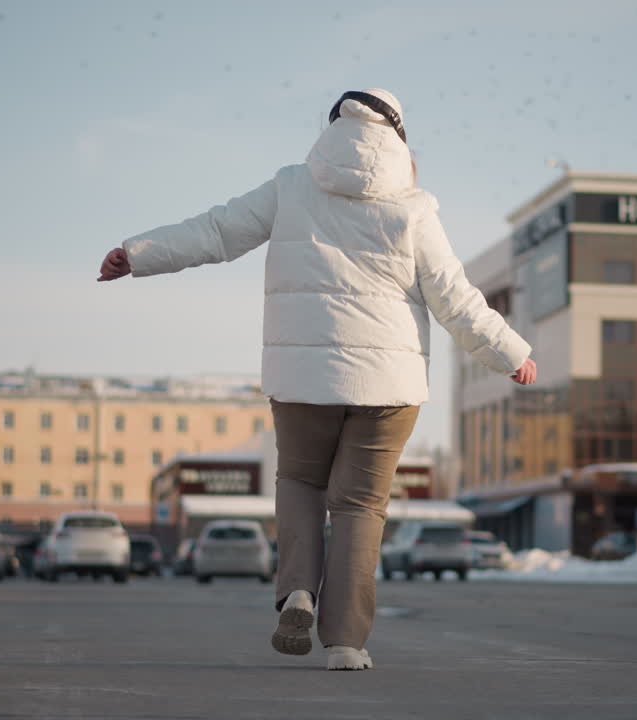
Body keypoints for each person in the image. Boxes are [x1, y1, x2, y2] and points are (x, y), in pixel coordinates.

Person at [96, 89, 535, 671]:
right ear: (399, 136)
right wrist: (510, 353)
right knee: (358, 507)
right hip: (389, 386)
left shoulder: (291, 185)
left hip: (302, 377)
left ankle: (298, 590)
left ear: (332, 128)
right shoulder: (414, 208)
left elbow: (217, 231)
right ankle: (347, 644)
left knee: (301, 483)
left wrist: (139, 253)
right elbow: (455, 299)